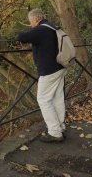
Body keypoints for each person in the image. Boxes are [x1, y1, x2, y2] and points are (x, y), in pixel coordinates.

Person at [16, 8, 67, 143]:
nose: (31, 25)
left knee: (43, 100)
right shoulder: (52, 27)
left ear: (35, 19)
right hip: (60, 67)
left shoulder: (41, 29)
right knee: (57, 98)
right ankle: (60, 127)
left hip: (49, 71)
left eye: (30, 22)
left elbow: (22, 37)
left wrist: (18, 35)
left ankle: (55, 132)